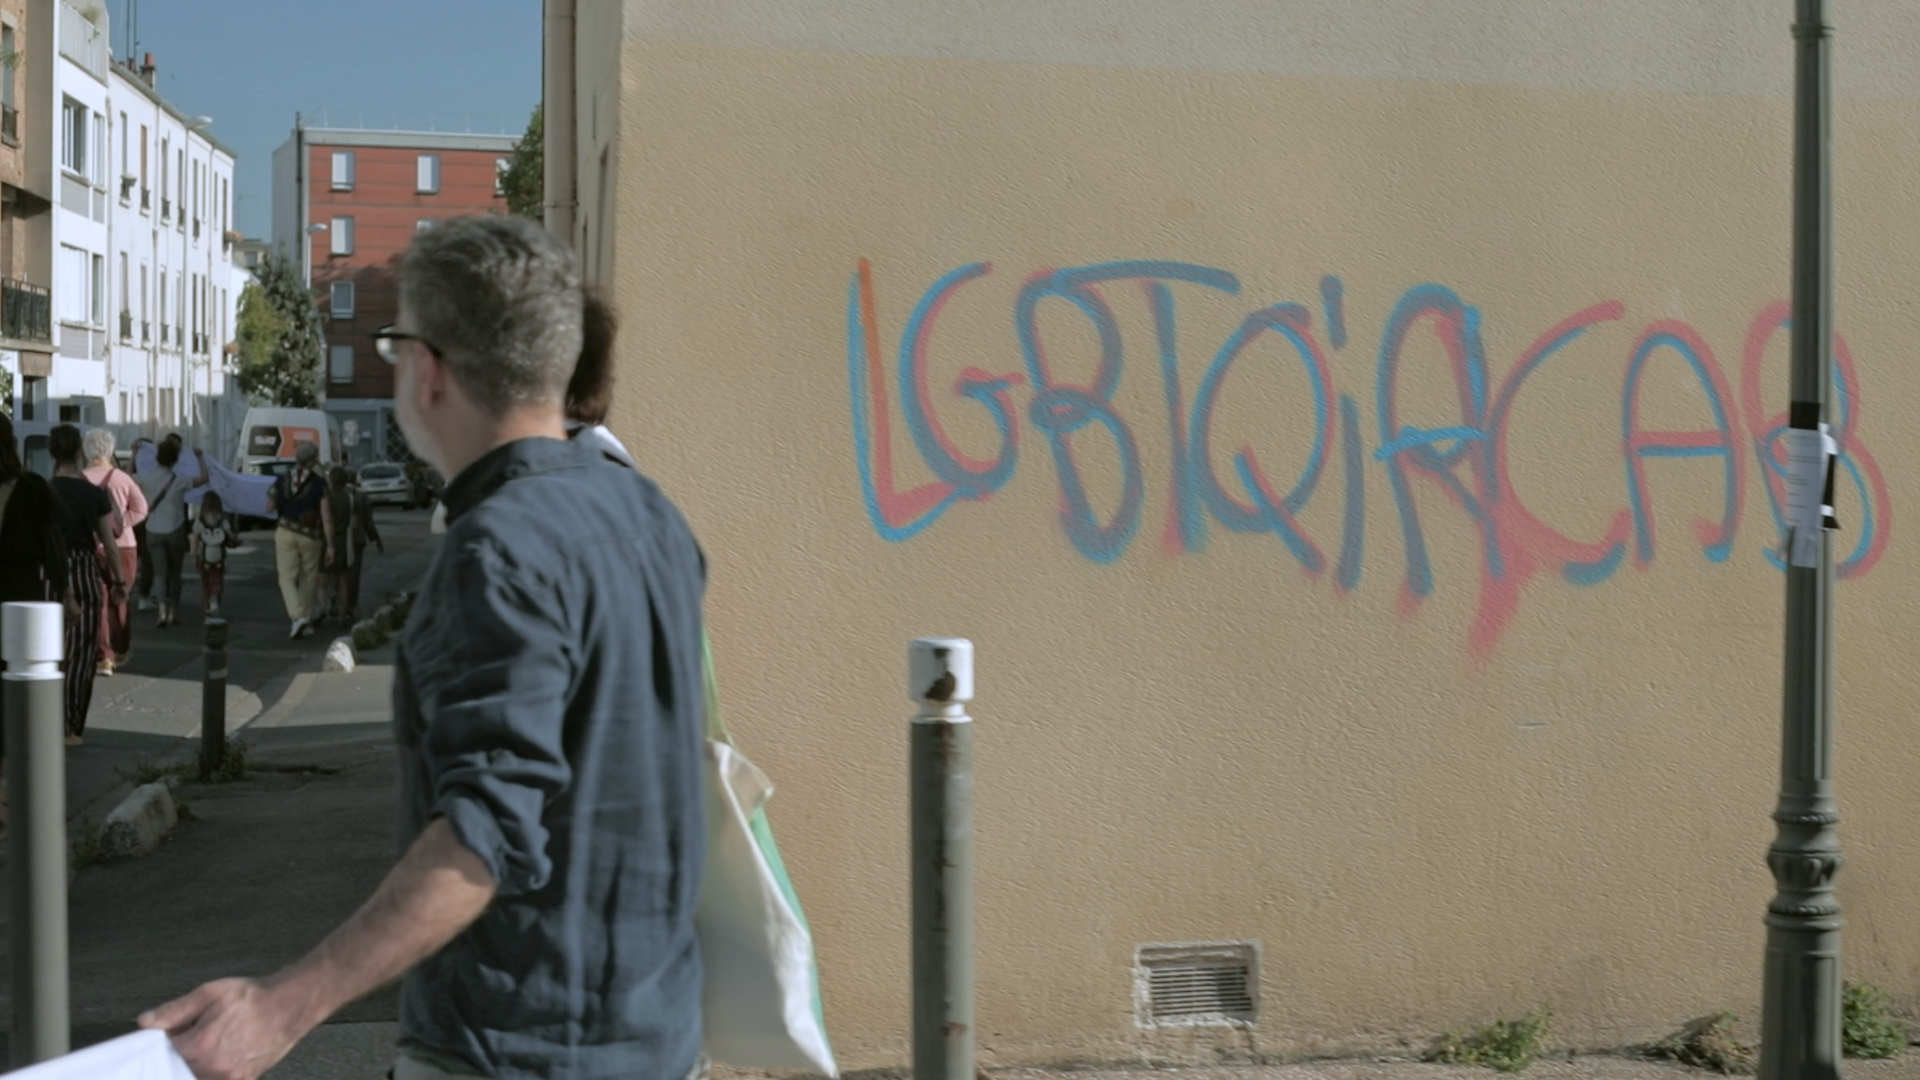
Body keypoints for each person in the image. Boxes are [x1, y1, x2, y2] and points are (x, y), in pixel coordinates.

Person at [141, 215, 709, 1080]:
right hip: (655, 1030)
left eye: (395, 342)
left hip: (514, 1047)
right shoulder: (649, 512)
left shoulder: (497, 552)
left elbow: (486, 833)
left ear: (428, 369)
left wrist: (279, 1009)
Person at [0, 415, 75, 825]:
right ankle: (15, 788)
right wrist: (66, 592)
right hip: (19, 597)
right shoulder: (31, 488)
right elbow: (51, 542)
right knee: (20, 688)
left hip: (16, 591)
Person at [49, 424, 127, 745]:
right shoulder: (94, 494)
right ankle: (71, 727)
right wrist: (119, 580)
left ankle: (46, 718)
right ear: (79, 452)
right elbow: (110, 543)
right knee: (81, 655)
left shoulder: (43, 492)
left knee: (49, 650)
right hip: (83, 570)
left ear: (52, 453)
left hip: (49, 573)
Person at [83, 428, 148, 676]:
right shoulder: (122, 478)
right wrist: (119, 526)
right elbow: (141, 509)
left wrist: (97, 531)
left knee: (98, 601)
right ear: (109, 451)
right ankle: (120, 647)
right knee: (120, 597)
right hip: (125, 547)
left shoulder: (80, 479)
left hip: (93, 546)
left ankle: (103, 656)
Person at [134, 440, 208, 628]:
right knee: (175, 573)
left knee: (159, 573)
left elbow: (127, 477)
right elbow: (204, 478)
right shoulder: (181, 480)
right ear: (175, 460)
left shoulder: (146, 478)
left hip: (153, 530)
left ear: (157, 458)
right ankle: (173, 612)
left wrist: (134, 453)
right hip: (175, 530)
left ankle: (161, 612)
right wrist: (199, 457)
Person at [268, 442, 333, 638]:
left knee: (286, 577)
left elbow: (269, 506)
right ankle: (302, 617)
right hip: (310, 535)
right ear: (313, 460)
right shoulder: (320, 484)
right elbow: (326, 517)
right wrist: (330, 545)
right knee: (308, 577)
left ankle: (297, 617)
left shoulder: (282, 478)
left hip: (285, 530)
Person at [325, 466, 383, 623]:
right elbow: (367, 521)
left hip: (332, 538)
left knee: (333, 573)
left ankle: (334, 603)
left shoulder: (329, 496)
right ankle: (348, 607)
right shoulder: (360, 497)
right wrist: (376, 538)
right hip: (356, 539)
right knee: (351, 575)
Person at [190, 491, 239, 617]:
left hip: (203, 556)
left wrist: (194, 555)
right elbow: (230, 535)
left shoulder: (200, 521)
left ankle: (206, 605)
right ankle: (215, 598)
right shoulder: (222, 520)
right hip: (218, 556)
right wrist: (235, 538)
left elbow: (195, 539)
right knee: (217, 579)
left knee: (205, 580)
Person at [129, 436, 156, 611]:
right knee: (147, 559)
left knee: (135, 556)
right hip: (150, 519)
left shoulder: (139, 476)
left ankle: (138, 592)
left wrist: (133, 454)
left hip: (134, 517)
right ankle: (144, 595)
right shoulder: (153, 474)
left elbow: (127, 476)